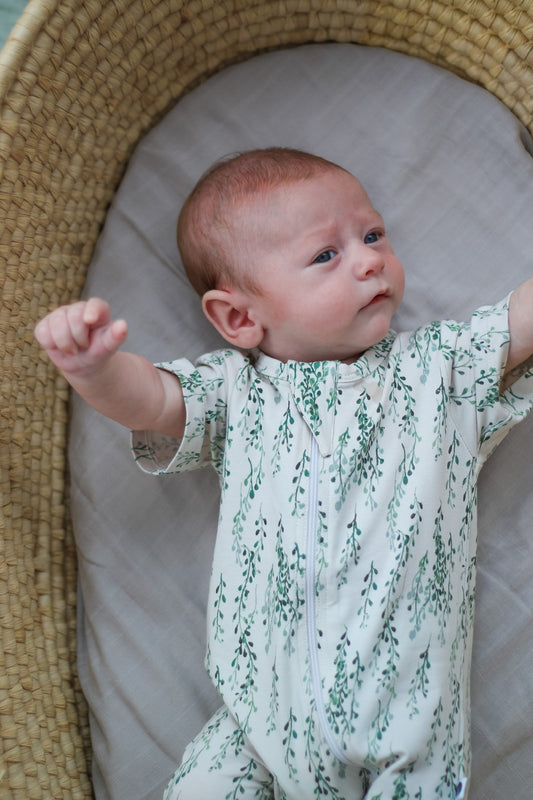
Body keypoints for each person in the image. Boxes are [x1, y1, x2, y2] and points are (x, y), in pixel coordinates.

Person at [35, 148, 533, 800]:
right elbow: (152, 400)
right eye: (325, 255)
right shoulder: (234, 392)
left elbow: (515, 325)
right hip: (259, 726)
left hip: (406, 736)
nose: (368, 259)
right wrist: (95, 370)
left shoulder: (435, 370)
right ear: (239, 317)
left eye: (373, 234)